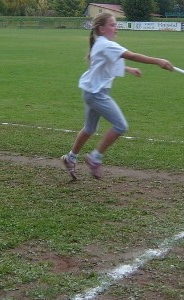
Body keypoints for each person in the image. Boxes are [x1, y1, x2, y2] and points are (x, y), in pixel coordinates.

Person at [61, 13, 173, 180]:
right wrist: (158, 61)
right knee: (121, 126)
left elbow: (108, 64)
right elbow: (132, 55)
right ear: (102, 28)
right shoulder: (106, 44)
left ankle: (70, 158)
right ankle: (94, 158)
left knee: (90, 129)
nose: (116, 28)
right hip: (96, 94)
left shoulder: (101, 44)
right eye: (113, 25)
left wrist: (129, 70)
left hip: (91, 92)